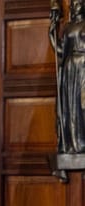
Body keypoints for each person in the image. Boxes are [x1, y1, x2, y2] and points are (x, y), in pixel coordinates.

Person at [50, 0, 85, 153]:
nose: (75, 5)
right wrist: (51, 30)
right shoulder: (68, 27)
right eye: (73, 3)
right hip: (70, 70)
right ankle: (72, 144)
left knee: (83, 106)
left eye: (78, 2)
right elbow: (60, 50)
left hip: (83, 67)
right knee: (72, 108)